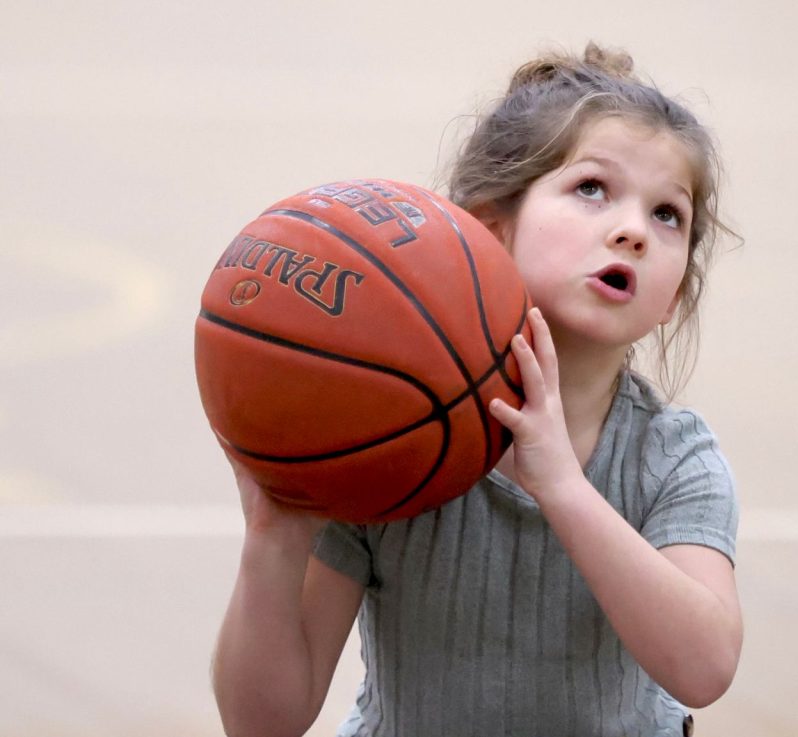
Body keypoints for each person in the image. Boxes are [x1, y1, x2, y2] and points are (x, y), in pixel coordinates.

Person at [212, 42, 742, 737]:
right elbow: (262, 724)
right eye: (592, 188)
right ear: (487, 229)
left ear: (676, 295)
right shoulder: (381, 438)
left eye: (667, 214)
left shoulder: (674, 458)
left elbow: (703, 667)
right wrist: (272, 541)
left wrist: (562, 487)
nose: (633, 231)